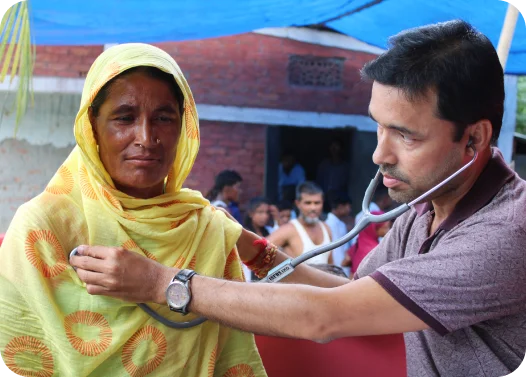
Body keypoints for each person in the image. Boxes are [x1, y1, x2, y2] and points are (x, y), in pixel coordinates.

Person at [70, 20, 526, 377]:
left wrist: (161, 283)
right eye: (379, 126)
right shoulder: (425, 209)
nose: (379, 154)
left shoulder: (506, 235)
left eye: (405, 136)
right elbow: (353, 293)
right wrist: (252, 248)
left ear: (474, 139)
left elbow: (325, 317)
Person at [0, 43, 266, 377]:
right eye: (125, 118)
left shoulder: (206, 228)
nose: (146, 137)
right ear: (92, 127)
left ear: (183, 128)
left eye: (164, 118)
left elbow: (231, 355)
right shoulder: (44, 225)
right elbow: (19, 350)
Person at [267, 181, 333, 265]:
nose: (313, 208)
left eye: (317, 203)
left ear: (322, 203)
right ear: (298, 204)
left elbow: (331, 264)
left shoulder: (326, 229)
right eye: (308, 203)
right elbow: (259, 251)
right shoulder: (289, 230)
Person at [342, 211, 390, 276]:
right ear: (374, 228)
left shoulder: (359, 242)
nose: (388, 230)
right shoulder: (374, 249)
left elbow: (344, 262)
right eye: (385, 227)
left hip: (351, 281)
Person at [325, 193, 352, 276]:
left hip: (343, 268)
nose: (349, 210)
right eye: (348, 206)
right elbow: (335, 252)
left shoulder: (341, 224)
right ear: (340, 206)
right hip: (335, 269)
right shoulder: (328, 224)